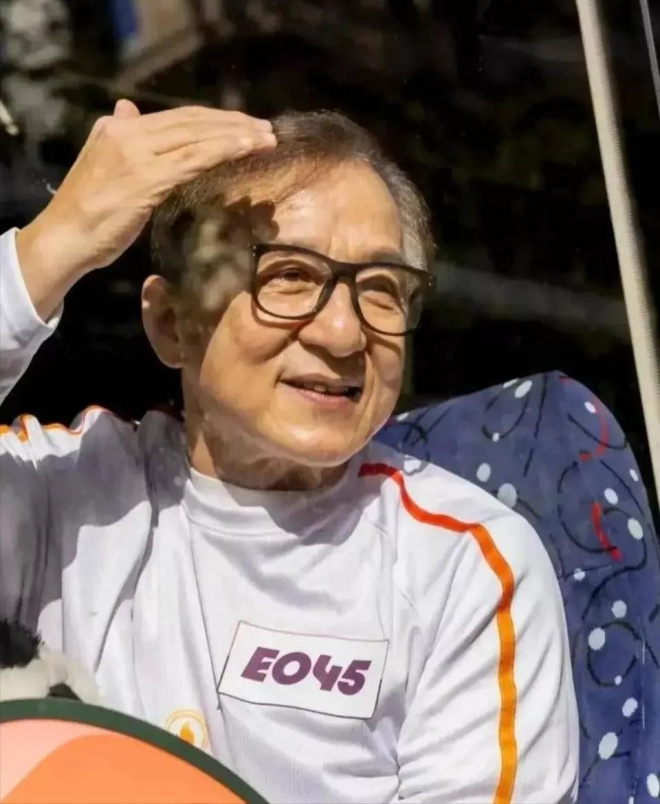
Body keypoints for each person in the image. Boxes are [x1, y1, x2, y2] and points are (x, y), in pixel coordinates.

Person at [0, 100, 579, 803]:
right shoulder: (57, 492)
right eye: (290, 276)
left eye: (381, 289)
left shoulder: (460, 565)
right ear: (171, 324)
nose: (344, 334)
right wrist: (52, 245)